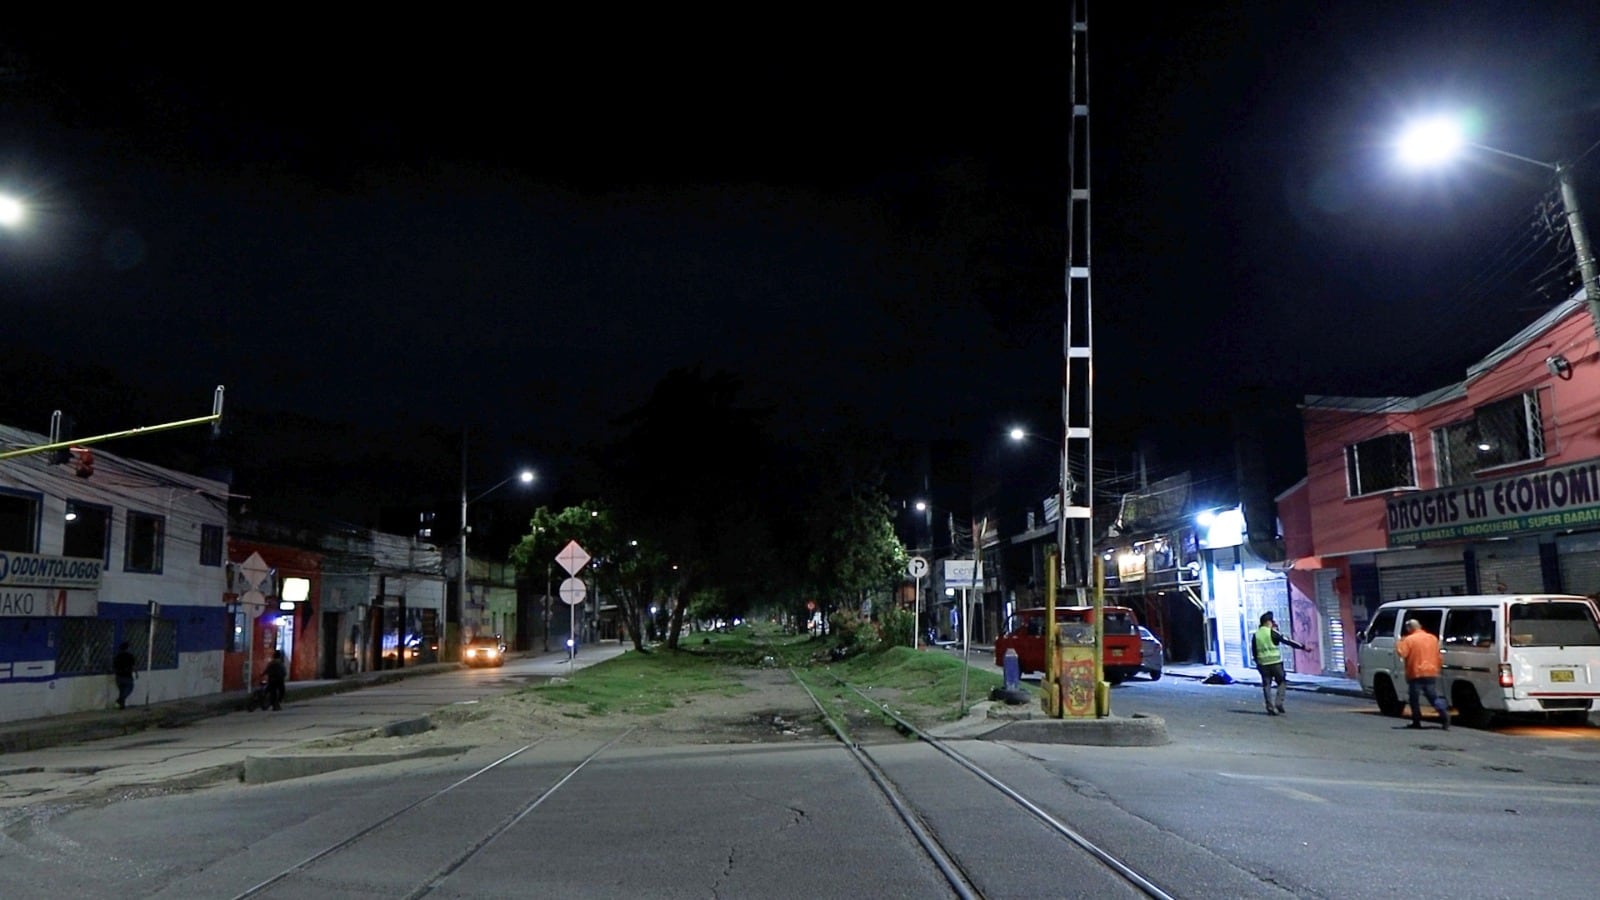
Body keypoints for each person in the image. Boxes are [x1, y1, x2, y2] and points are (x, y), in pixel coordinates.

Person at [1396, 619, 1449, 730]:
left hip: (1416, 672)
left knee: (1414, 698)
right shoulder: (1432, 638)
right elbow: (1439, 656)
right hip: (1431, 671)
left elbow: (1402, 653)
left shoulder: (1409, 640)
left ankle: (1416, 721)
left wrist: (1400, 642)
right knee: (1433, 696)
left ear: (1409, 628)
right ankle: (1444, 714)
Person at [1252, 611, 1306, 716]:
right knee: (1281, 682)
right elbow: (1287, 641)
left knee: (1266, 685)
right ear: (1268, 622)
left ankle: (1270, 706)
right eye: (1272, 621)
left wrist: (1258, 663)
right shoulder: (1272, 632)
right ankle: (1278, 703)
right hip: (1275, 663)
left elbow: (1254, 651)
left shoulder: (1256, 634)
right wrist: (1302, 647)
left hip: (1263, 664)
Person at [112, 642, 137, 709]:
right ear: (127, 648)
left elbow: (114, 666)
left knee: (122, 691)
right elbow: (133, 666)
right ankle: (120, 700)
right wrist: (136, 673)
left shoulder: (117, 656)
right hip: (127, 675)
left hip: (119, 676)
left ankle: (122, 705)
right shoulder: (130, 656)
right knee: (129, 688)